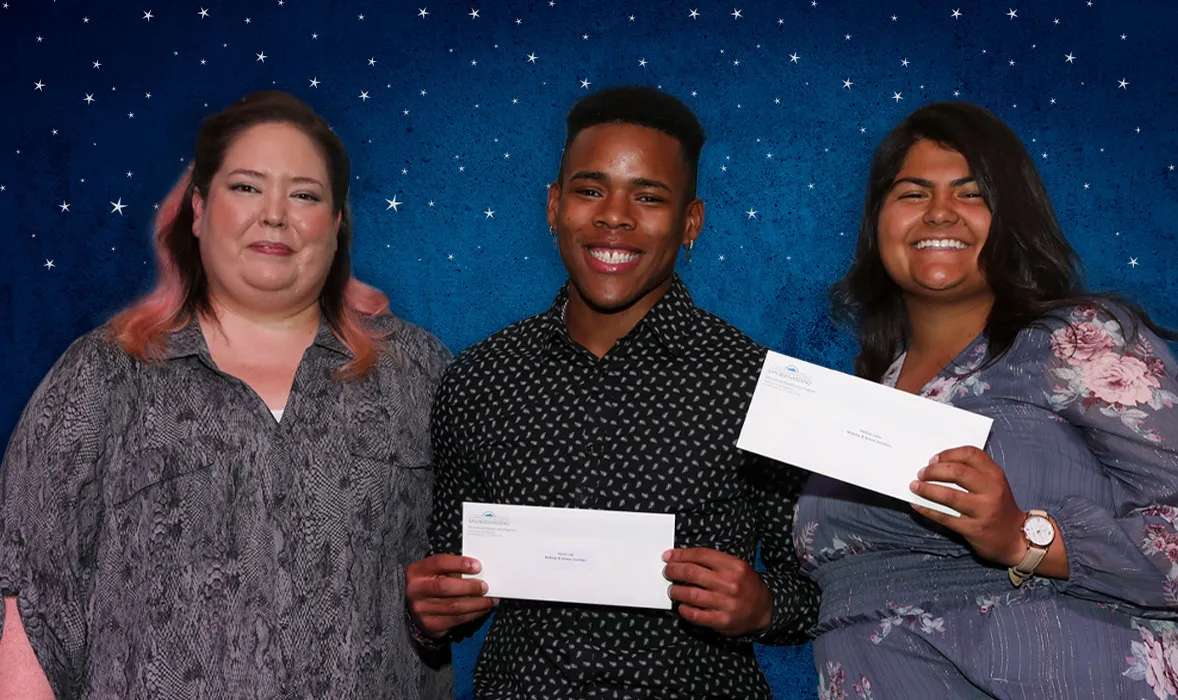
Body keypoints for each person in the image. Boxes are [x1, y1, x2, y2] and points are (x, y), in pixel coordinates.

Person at [0, 91, 453, 699]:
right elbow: (28, 603)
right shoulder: (102, 376)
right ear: (197, 209)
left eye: (304, 195)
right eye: (246, 187)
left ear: (338, 223)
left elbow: (457, 579)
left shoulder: (419, 371)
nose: (274, 215)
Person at [797, 101, 1178, 699]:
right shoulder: (867, 397)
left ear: (1014, 218)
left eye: (972, 194)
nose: (940, 212)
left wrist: (1026, 538)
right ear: (876, 222)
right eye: (912, 193)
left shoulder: (1080, 342)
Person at [404, 86, 819, 699]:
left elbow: (817, 591)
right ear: (553, 206)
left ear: (690, 223)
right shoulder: (477, 379)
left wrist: (763, 607)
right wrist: (432, 613)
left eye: (648, 197)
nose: (614, 216)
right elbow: (450, 576)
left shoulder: (759, 385)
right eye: (590, 190)